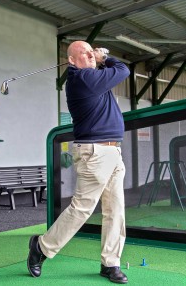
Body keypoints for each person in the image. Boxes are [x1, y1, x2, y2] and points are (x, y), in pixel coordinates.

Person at [27, 41, 130, 284]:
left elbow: (117, 69)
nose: (90, 54)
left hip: (113, 152)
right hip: (94, 153)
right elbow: (123, 70)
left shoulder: (92, 76)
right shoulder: (82, 79)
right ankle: (41, 247)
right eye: (83, 52)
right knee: (82, 208)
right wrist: (103, 57)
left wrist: (98, 58)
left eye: (90, 50)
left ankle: (110, 263)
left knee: (115, 210)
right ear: (72, 61)